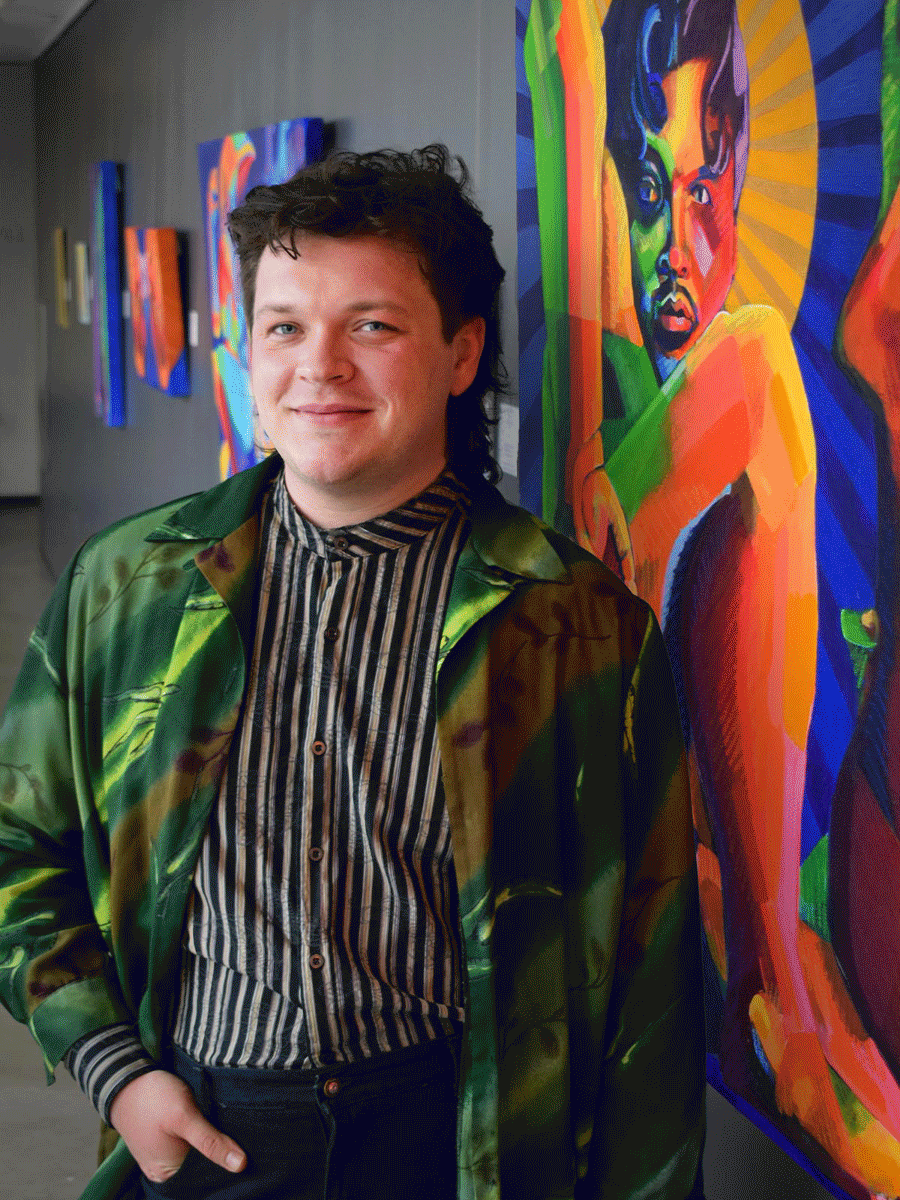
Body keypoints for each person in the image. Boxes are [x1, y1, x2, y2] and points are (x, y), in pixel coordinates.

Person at [0, 145, 704, 1200]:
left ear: (461, 353)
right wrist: (116, 1074)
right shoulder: (128, 589)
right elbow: (17, 846)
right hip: (208, 1128)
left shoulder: (576, 626)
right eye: (284, 327)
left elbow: (651, 970)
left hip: (465, 1144)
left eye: (371, 326)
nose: (319, 366)